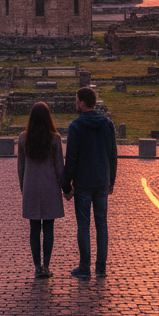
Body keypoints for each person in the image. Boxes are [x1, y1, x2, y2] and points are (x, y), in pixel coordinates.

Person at [62, 86, 117, 278]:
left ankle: (85, 267)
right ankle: (101, 268)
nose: (75, 104)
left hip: (83, 182)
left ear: (82, 103)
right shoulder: (107, 124)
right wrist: (111, 180)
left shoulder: (76, 126)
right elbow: (112, 155)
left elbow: (71, 159)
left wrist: (66, 185)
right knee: (101, 224)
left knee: (83, 225)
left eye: (77, 101)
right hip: (101, 180)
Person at [17, 101, 65, 279]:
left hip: (31, 186)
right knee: (49, 228)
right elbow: (59, 167)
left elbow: (20, 167)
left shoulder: (23, 138)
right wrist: (66, 188)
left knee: (34, 229)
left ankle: (37, 266)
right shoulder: (55, 139)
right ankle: (46, 265)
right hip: (50, 186)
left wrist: (23, 188)